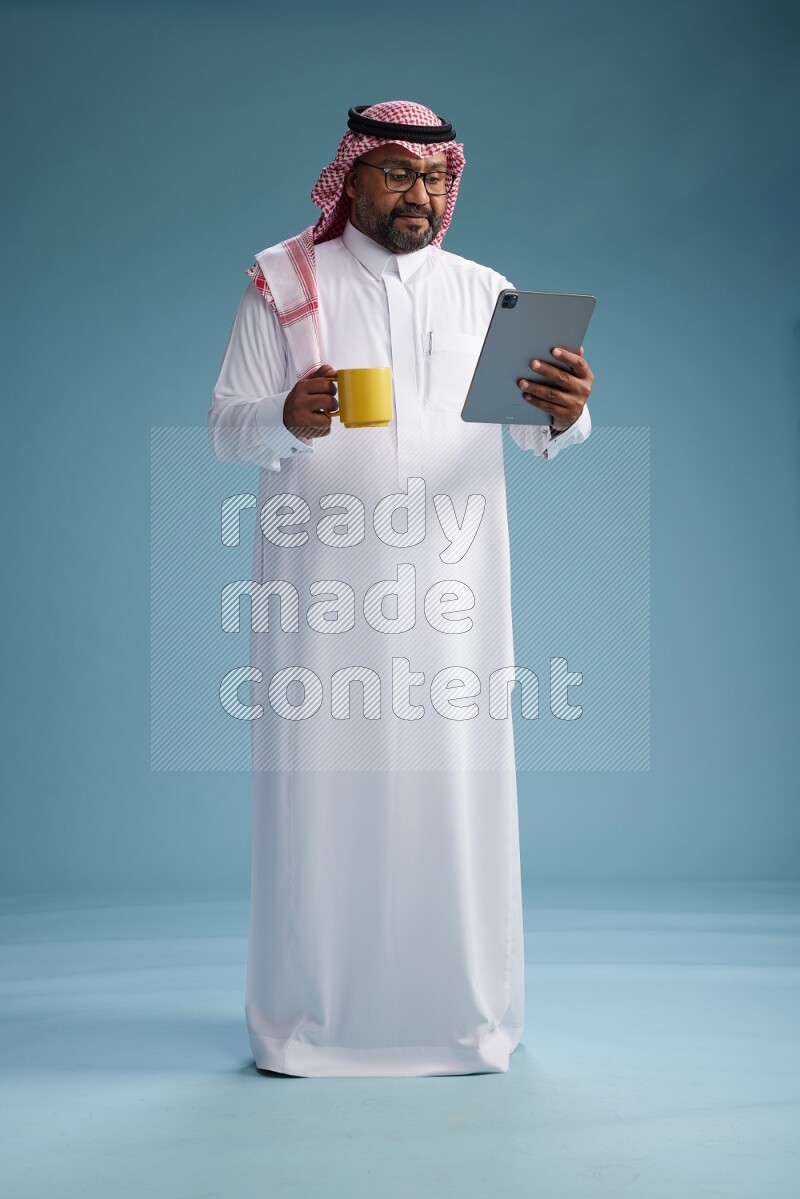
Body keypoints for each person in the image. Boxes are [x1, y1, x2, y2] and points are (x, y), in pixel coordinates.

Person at [208, 101, 594, 1078]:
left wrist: (564, 413)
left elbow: (536, 433)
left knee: (452, 797)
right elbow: (224, 422)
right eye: (393, 173)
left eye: (433, 177)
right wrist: (281, 415)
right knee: (321, 800)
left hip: (454, 604)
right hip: (321, 603)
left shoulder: (484, 294)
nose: (417, 194)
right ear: (350, 178)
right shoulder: (283, 280)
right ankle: (307, 1025)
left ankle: (462, 1019)